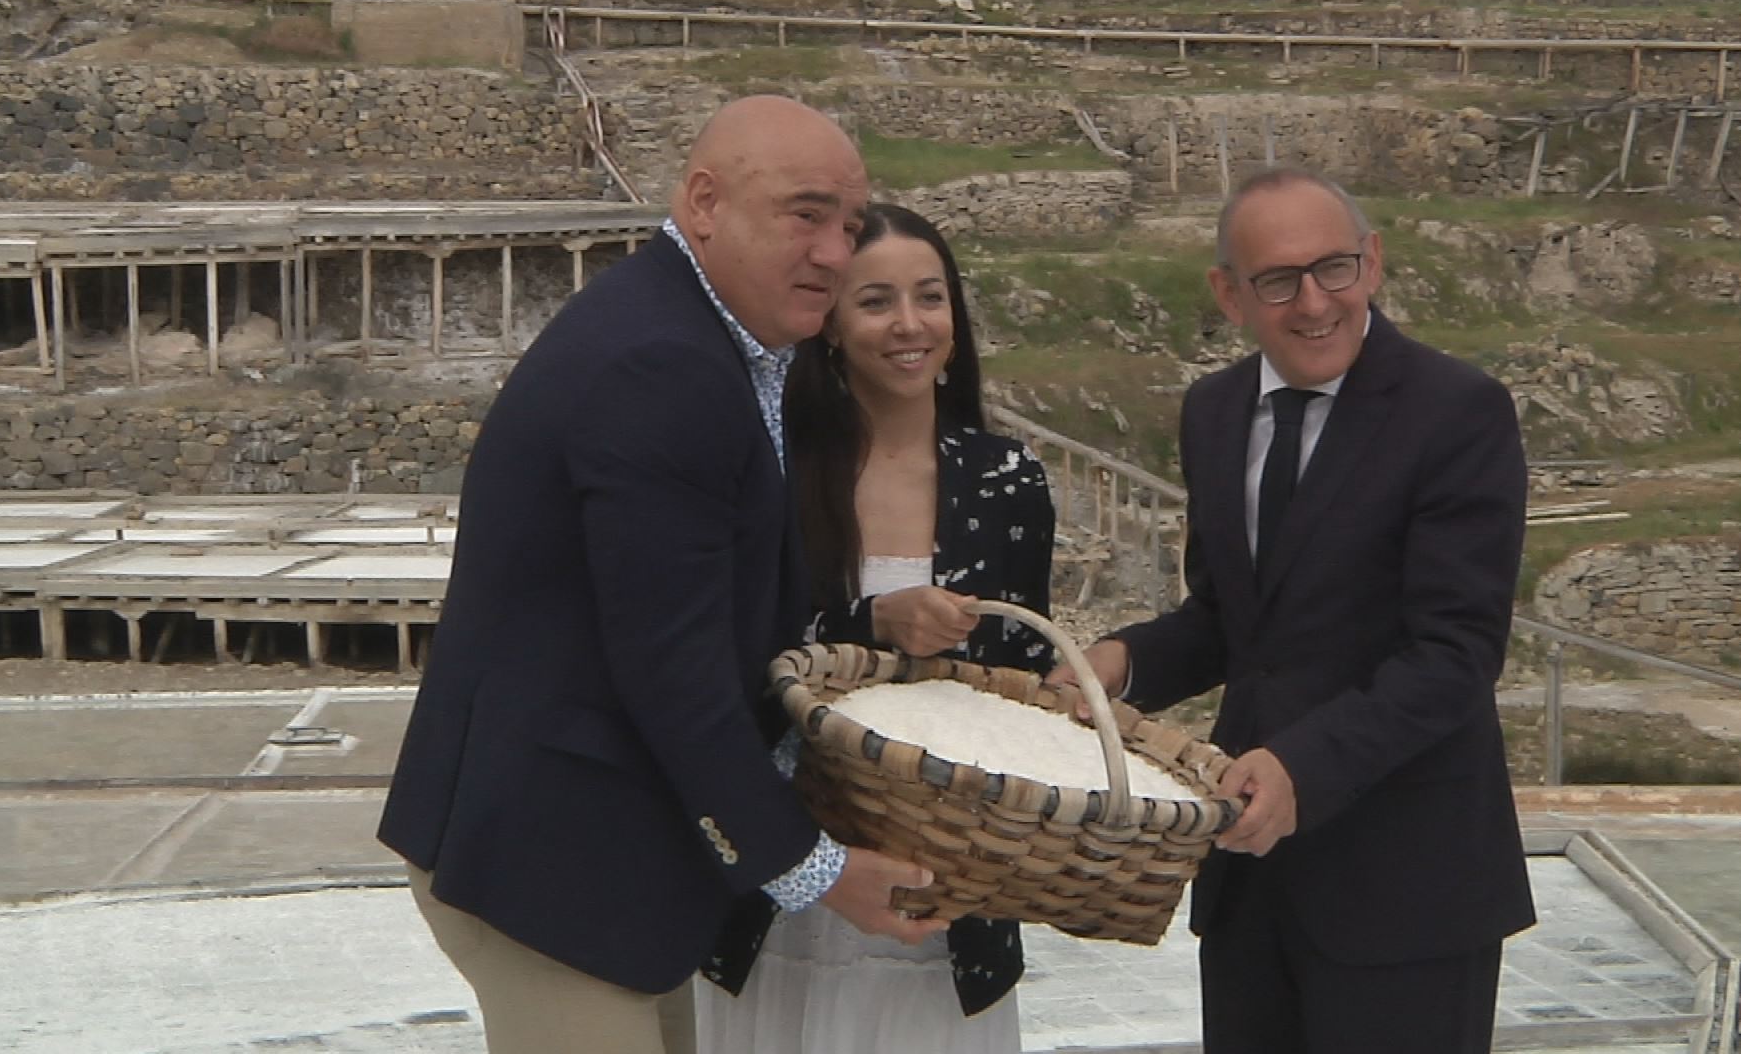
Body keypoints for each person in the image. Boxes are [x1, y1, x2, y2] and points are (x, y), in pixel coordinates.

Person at [376, 96, 946, 1054]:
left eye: (848, 226)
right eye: (805, 215)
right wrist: (812, 867)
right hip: (556, 867)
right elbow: (669, 666)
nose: (836, 254)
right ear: (704, 203)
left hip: (599, 861)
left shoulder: (709, 345)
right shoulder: (663, 365)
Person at [1051, 167, 1534, 1054]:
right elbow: (1235, 623)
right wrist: (1120, 662)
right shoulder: (1214, 412)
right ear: (1229, 295)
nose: (1314, 302)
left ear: (1374, 263)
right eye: (1278, 281)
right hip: (1251, 886)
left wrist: (1301, 770)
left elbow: (1456, 653)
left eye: (1335, 269)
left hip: (1409, 894)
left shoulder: (1458, 412)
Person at [696, 203, 1056, 1054]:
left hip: (947, 879)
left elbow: (1027, 683)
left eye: (930, 298)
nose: (909, 325)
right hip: (791, 871)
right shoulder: (776, 468)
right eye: (875, 301)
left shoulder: (1008, 480)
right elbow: (731, 658)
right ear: (829, 326)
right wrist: (871, 623)